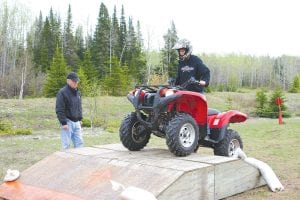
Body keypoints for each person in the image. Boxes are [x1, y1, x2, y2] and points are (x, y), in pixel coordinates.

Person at [56, 72, 84, 149]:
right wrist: (63, 122)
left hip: (77, 122)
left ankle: (79, 161)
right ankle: (65, 161)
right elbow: (59, 109)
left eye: (77, 81)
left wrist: (80, 118)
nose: (76, 83)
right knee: (66, 145)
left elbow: (79, 106)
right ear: (68, 81)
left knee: (80, 144)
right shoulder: (62, 92)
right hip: (67, 122)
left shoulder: (78, 92)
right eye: (74, 81)